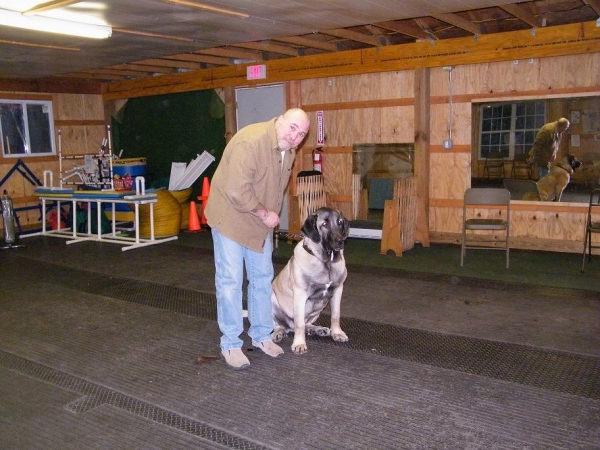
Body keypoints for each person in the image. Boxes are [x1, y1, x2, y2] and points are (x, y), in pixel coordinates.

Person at [204, 108, 310, 370]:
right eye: (292, 128)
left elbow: (275, 188)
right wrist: (265, 214)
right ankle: (230, 343)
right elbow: (236, 190)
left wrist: (267, 218)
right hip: (230, 217)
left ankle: (262, 335)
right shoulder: (250, 141)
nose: (296, 136)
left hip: (258, 221)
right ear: (280, 120)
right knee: (230, 281)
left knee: (262, 278)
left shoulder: (289, 149)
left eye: (302, 134)